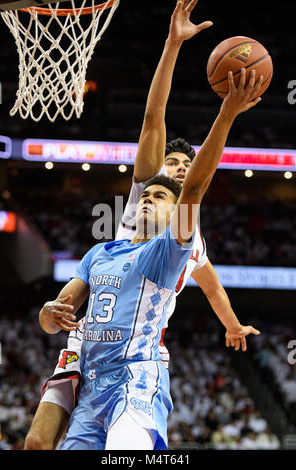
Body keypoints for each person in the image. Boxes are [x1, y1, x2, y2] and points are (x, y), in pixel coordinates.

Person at [24, 0, 259, 450]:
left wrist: (231, 325)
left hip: (138, 351)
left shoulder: (187, 233)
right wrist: (171, 46)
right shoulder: (139, 203)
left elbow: (211, 285)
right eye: (166, 164)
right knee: (38, 443)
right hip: (85, 341)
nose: (169, 172)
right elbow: (154, 118)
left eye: (179, 167)